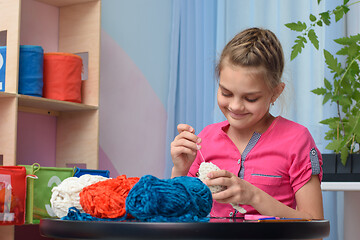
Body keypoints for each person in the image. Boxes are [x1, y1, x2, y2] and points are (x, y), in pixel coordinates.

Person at [170, 27, 324, 220]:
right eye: (226, 93)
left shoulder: (297, 140)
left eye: (250, 98)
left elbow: (315, 228)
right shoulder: (205, 140)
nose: (235, 106)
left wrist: (253, 196)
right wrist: (180, 170)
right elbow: (177, 216)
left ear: (275, 92)